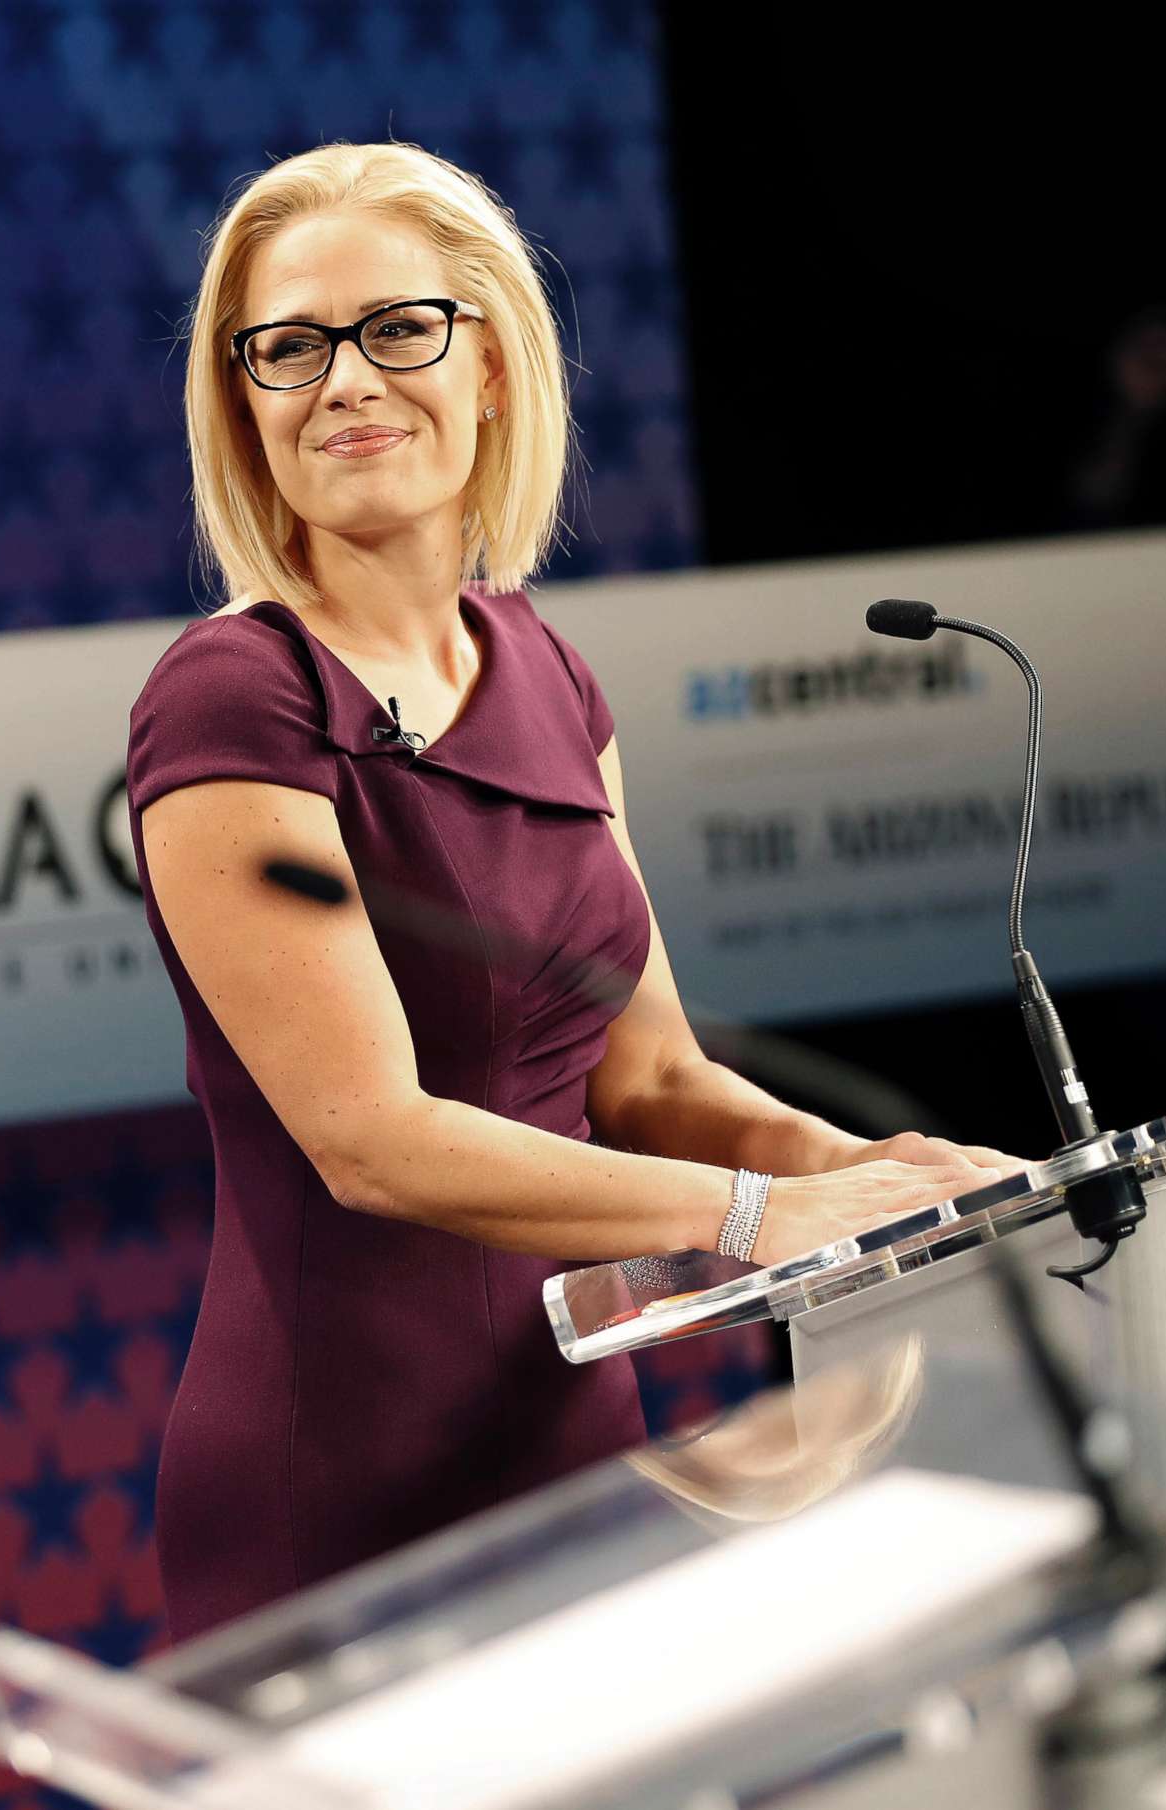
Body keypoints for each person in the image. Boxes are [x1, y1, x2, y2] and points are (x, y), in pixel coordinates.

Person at [129, 142, 1014, 1640]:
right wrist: (762, 1214)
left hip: (564, 1436)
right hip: (335, 1481)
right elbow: (376, 1142)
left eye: (398, 329)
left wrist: (896, 1187)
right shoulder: (231, 696)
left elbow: (654, 1072)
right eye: (288, 348)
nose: (344, 382)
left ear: (492, 366)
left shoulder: (542, 664)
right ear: (246, 402)